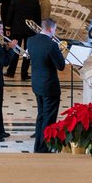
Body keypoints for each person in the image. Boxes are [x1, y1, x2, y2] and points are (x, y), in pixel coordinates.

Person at [27, 18, 66, 153]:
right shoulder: (51, 45)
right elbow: (60, 66)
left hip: (37, 84)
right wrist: (59, 50)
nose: (55, 31)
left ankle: (38, 145)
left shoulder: (31, 40)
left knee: (41, 116)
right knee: (49, 118)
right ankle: (44, 148)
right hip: (49, 86)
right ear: (50, 29)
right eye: (55, 29)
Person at [5, 0, 40, 80]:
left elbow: (10, 14)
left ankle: (11, 72)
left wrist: (8, 27)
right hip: (30, 30)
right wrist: (38, 31)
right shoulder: (35, 1)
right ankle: (24, 74)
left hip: (17, 29)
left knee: (15, 49)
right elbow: (38, 17)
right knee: (27, 51)